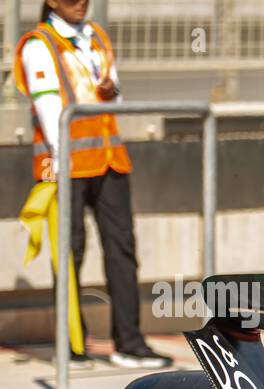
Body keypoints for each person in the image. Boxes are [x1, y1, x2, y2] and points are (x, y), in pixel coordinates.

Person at [13, 0, 170, 369]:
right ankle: (72, 344)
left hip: (108, 159)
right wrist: (61, 157)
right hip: (65, 165)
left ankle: (129, 343)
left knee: (122, 249)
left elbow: (117, 99)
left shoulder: (97, 37)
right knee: (70, 254)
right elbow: (50, 110)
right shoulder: (39, 44)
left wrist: (111, 89)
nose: (81, 3)